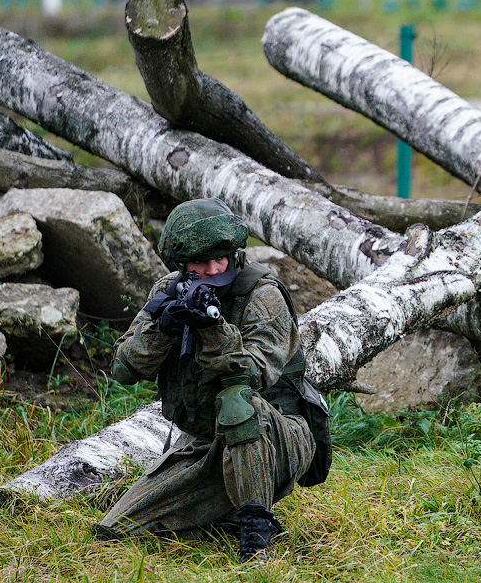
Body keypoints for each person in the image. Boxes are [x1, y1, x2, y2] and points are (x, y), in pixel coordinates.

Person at [93, 198, 331, 562]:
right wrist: (163, 328)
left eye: (220, 258)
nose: (213, 268)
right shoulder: (169, 291)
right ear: (180, 264)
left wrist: (215, 329)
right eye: (200, 263)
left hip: (278, 436)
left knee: (238, 401)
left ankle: (256, 536)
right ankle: (228, 512)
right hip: (205, 444)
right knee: (117, 528)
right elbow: (124, 369)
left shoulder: (262, 295)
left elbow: (255, 373)